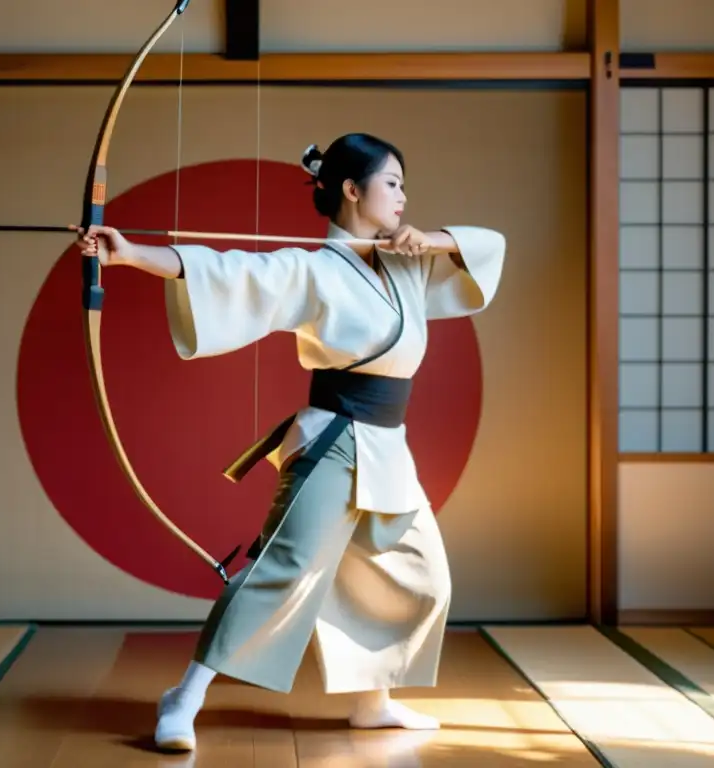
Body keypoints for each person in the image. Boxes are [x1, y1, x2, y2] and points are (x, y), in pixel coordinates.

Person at [76, 132, 506, 752]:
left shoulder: (408, 264)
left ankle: (373, 701)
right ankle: (185, 697)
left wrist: (434, 241)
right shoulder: (310, 268)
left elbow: (490, 246)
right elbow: (231, 270)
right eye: (393, 184)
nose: (404, 198)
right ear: (352, 190)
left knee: (421, 575)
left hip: (389, 447)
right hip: (334, 439)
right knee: (281, 572)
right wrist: (131, 254)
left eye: (406, 186)